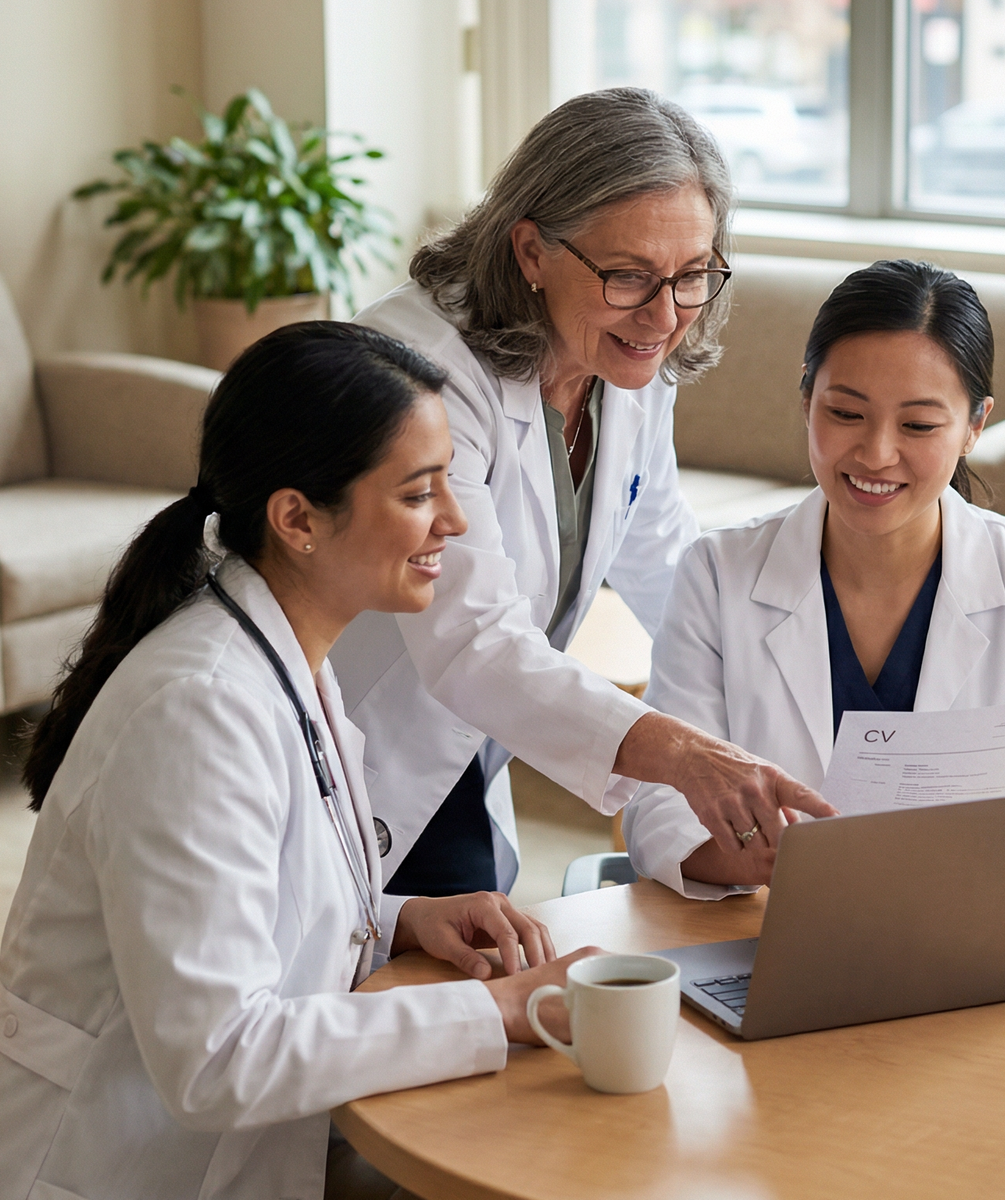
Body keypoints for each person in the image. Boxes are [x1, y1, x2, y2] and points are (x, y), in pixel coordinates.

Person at [0, 323, 622, 1200]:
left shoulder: (287, 659)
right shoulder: (197, 706)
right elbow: (217, 1060)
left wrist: (402, 915)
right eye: (418, 491)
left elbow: (259, 908)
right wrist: (496, 1010)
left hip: (223, 1173)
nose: (455, 519)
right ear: (298, 518)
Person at [333, 87, 833, 924]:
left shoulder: (624, 367)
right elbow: (470, 635)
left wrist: (780, 690)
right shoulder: (421, 371)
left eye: (693, 277)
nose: (666, 316)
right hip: (357, 744)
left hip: (468, 748)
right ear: (530, 250)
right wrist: (678, 751)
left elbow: (665, 560)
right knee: (357, 1004)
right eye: (631, 276)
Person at [623, 259, 1005, 902]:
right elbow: (660, 809)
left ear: (974, 426)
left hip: (987, 936)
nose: (877, 453)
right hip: (774, 938)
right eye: (845, 413)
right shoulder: (718, 575)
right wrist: (780, 865)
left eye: (918, 425)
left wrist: (1002, 872)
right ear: (807, 401)